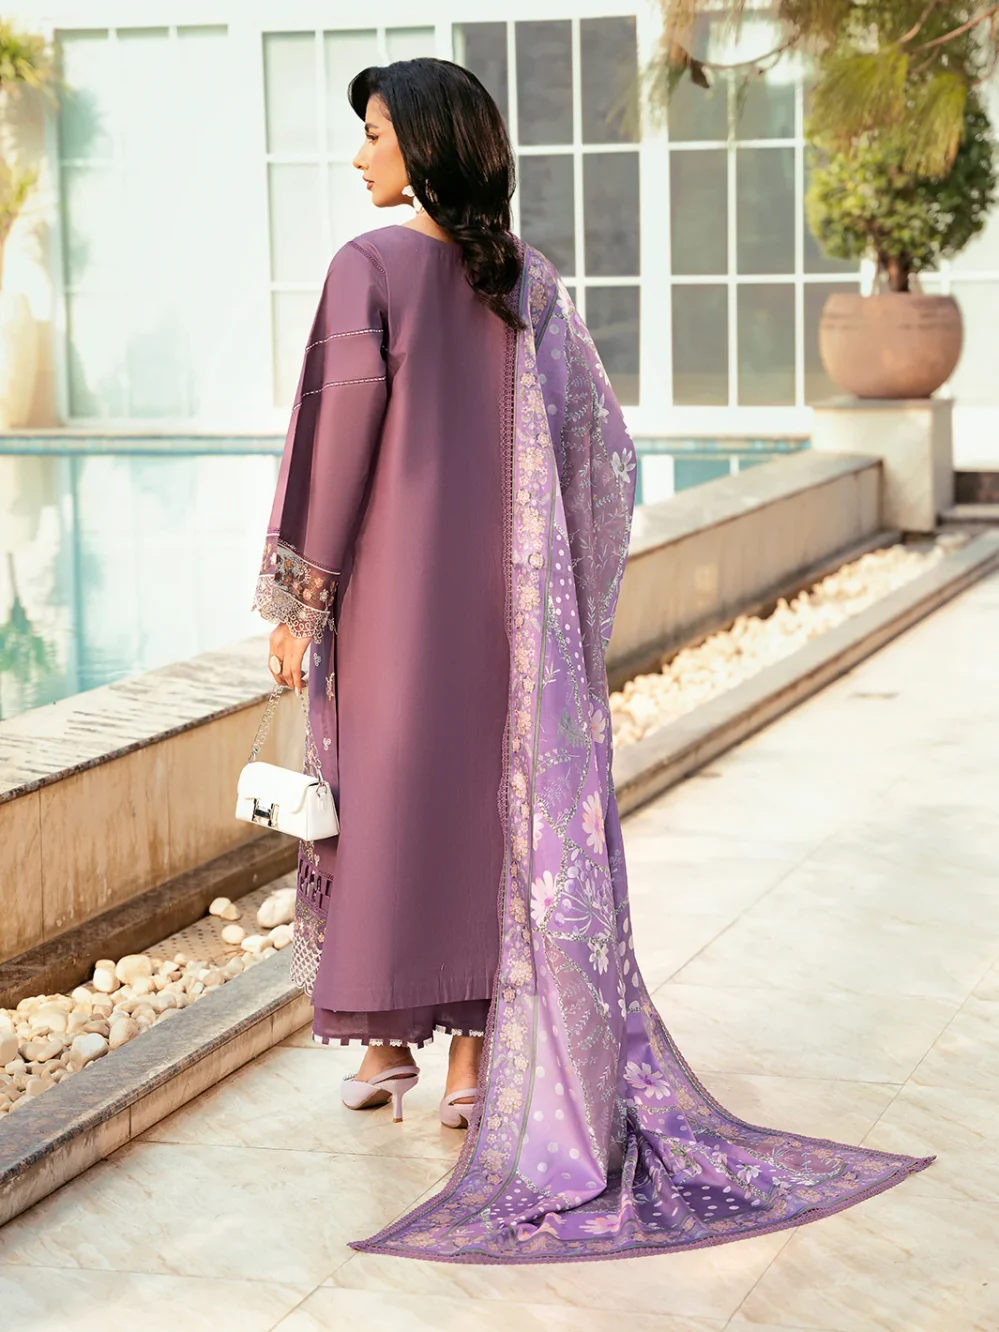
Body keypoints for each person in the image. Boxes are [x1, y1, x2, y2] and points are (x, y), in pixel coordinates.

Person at [252, 56, 932, 1264]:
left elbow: (338, 436)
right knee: (495, 819)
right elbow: (601, 451)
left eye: (375, 134)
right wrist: (553, 589)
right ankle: (475, 1064)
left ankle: (383, 1045)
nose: (359, 156)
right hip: (510, 612)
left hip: (397, 599)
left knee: (382, 800)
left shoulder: (368, 269)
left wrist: (304, 598)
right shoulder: (528, 280)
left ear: (427, 146)